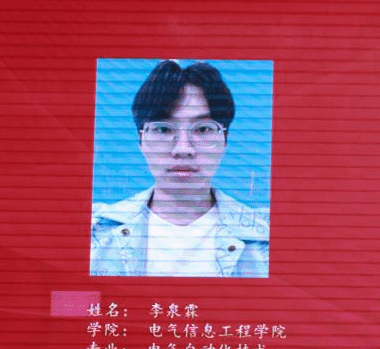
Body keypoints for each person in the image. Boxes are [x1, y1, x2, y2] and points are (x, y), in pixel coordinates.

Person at [90, 59, 269, 277]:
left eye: (203, 129)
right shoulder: (95, 232)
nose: (183, 149)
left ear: (225, 139)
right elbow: (66, 299)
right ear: (141, 140)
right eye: (163, 129)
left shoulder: (265, 239)